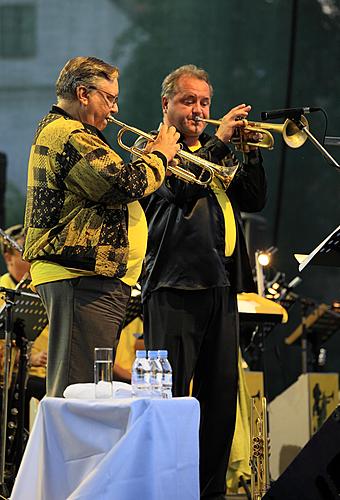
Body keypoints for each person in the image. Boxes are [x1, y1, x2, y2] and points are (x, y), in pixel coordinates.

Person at [139, 65, 267, 499]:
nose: (199, 110)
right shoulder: (151, 150)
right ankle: (163, 490)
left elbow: (253, 199)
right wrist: (221, 140)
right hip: (173, 287)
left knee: (219, 408)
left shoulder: (220, 151)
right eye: (188, 101)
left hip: (221, 286)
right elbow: (179, 194)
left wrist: (250, 152)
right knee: (170, 402)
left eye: (205, 102)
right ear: (166, 105)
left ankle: (208, 494)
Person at [23, 56, 180, 397]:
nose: (115, 108)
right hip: (80, 275)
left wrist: (150, 158)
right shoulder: (70, 133)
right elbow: (123, 184)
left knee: (90, 392)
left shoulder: (66, 131)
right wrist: (161, 156)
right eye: (109, 98)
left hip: (89, 277)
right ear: (83, 93)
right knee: (77, 394)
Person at [0, 224, 48, 426]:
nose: (31, 261)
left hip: (44, 375)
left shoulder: (42, 291)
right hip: (18, 377)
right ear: (8, 257)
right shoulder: (3, 293)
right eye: (23, 254)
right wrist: (31, 358)